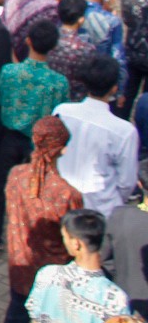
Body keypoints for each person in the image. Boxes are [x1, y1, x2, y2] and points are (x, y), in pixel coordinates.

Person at [1, 116, 83, 323]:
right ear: (61, 149)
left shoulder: (15, 176)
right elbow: (74, 239)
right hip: (51, 275)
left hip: (19, 264)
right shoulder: (67, 193)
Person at [55, 57, 140, 217]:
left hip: (61, 200)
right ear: (114, 88)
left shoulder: (62, 111)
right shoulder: (124, 131)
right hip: (100, 209)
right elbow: (126, 183)